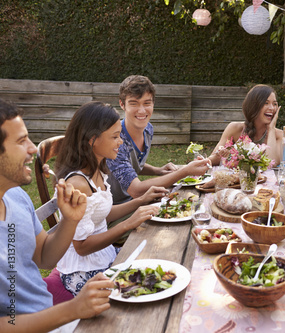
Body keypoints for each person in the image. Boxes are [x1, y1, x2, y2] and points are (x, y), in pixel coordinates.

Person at [0, 99, 114, 332]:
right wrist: (72, 309)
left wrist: (70, 220)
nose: (33, 148)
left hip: (55, 318)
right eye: (22, 141)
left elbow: (44, 257)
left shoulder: (15, 196)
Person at [55, 101, 163, 296]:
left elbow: (102, 213)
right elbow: (82, 247)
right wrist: (128, 223)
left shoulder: (97, 170)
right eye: (115, 137)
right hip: (83, 271)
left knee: (157, 267)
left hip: (104, 256)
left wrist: (140, 200)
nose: (120, 142)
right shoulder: (78, 184)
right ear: (92, 140)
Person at [107, 75, 210, 205]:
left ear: (153, 103)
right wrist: (185, 172)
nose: (141, 110)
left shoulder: (148, 130)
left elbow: (130, 164)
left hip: (133, 201)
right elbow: (136, 190)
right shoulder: (116, 140)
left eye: (147, 103)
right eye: (134, 103)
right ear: (122, 104)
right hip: (113, 209)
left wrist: (157, 170)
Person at [209, 84, 283, 166]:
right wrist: (220, 154)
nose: (272, 108)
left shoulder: (279, 135)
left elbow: (272, 164)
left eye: (275, 104)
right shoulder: (234, 128)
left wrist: (271, 129)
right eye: (266, 103)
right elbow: (212, 160)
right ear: (254, 106)